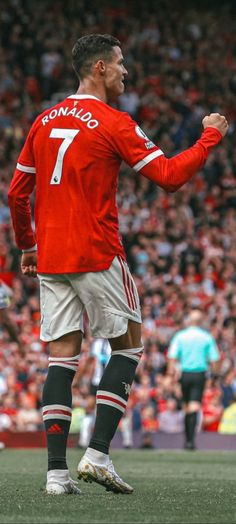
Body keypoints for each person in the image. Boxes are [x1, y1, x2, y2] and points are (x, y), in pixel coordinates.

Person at [8, 34, 228, 495]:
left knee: (61, 359)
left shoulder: (43, 121)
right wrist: (210, 136)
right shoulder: (113, 121)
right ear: (100, 69)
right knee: (128, 346)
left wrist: (28, 247)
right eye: (121, 63)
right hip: (97, 251)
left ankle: (55, 476)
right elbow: (167, 177)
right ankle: (98, 454)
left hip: (51, 257)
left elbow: (17, 193)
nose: (127, 71)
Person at [167, 309, 221, 450]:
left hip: (184, 374)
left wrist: (171, 375)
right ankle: (190, 440)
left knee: (186, 407)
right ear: (201, 321)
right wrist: (215, 376)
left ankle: (188, 440)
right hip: (199, 374)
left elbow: (172, 357)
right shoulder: (206, 337)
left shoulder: (180, 336)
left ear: (189, 321)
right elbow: (215, 359)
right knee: (194, 406)